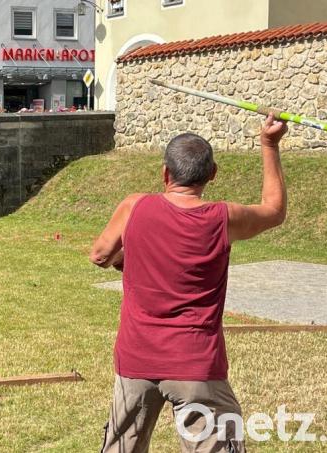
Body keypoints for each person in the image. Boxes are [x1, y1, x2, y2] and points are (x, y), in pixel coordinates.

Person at [90, 114, 288, 453]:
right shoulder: (223, 218)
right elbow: (274, 210)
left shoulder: (134, 206)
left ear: (165, 173)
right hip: (196, 366)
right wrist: (269, 144)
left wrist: (127, 262)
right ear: (212, 175)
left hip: (135, 361)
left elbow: (99, 254)